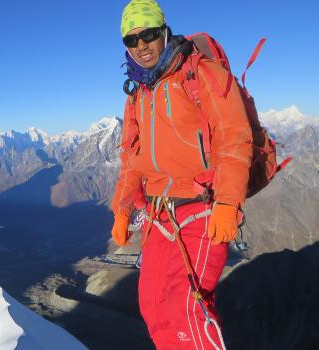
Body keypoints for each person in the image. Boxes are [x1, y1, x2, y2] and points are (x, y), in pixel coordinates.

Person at [110, 0, 253, 349]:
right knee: (154, 304)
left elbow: (235, 137)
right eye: (132, 39)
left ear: (164, 32)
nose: (141, 45)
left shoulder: (201, 73)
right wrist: (123, 207)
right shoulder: (138, 94)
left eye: (149, 35)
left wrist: (228, 202)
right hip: (159, 213)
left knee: (188, 306)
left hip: (203, 206)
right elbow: (132, 155)